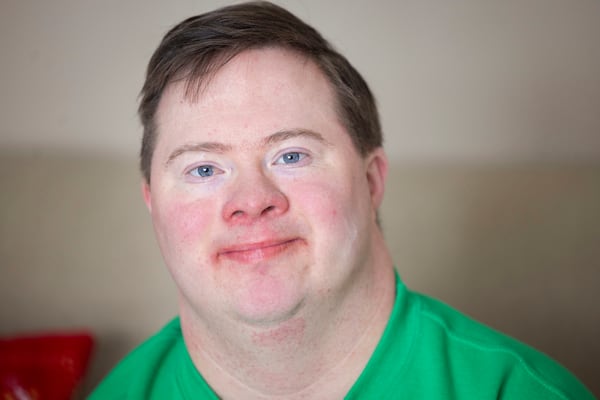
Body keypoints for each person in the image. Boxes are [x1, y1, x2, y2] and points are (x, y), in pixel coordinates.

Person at [90, 2, 594, 399]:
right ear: (152, 205)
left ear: (372, 181)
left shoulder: (519, 392)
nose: (251, 201)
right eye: (203, 169)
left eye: (291, 155)